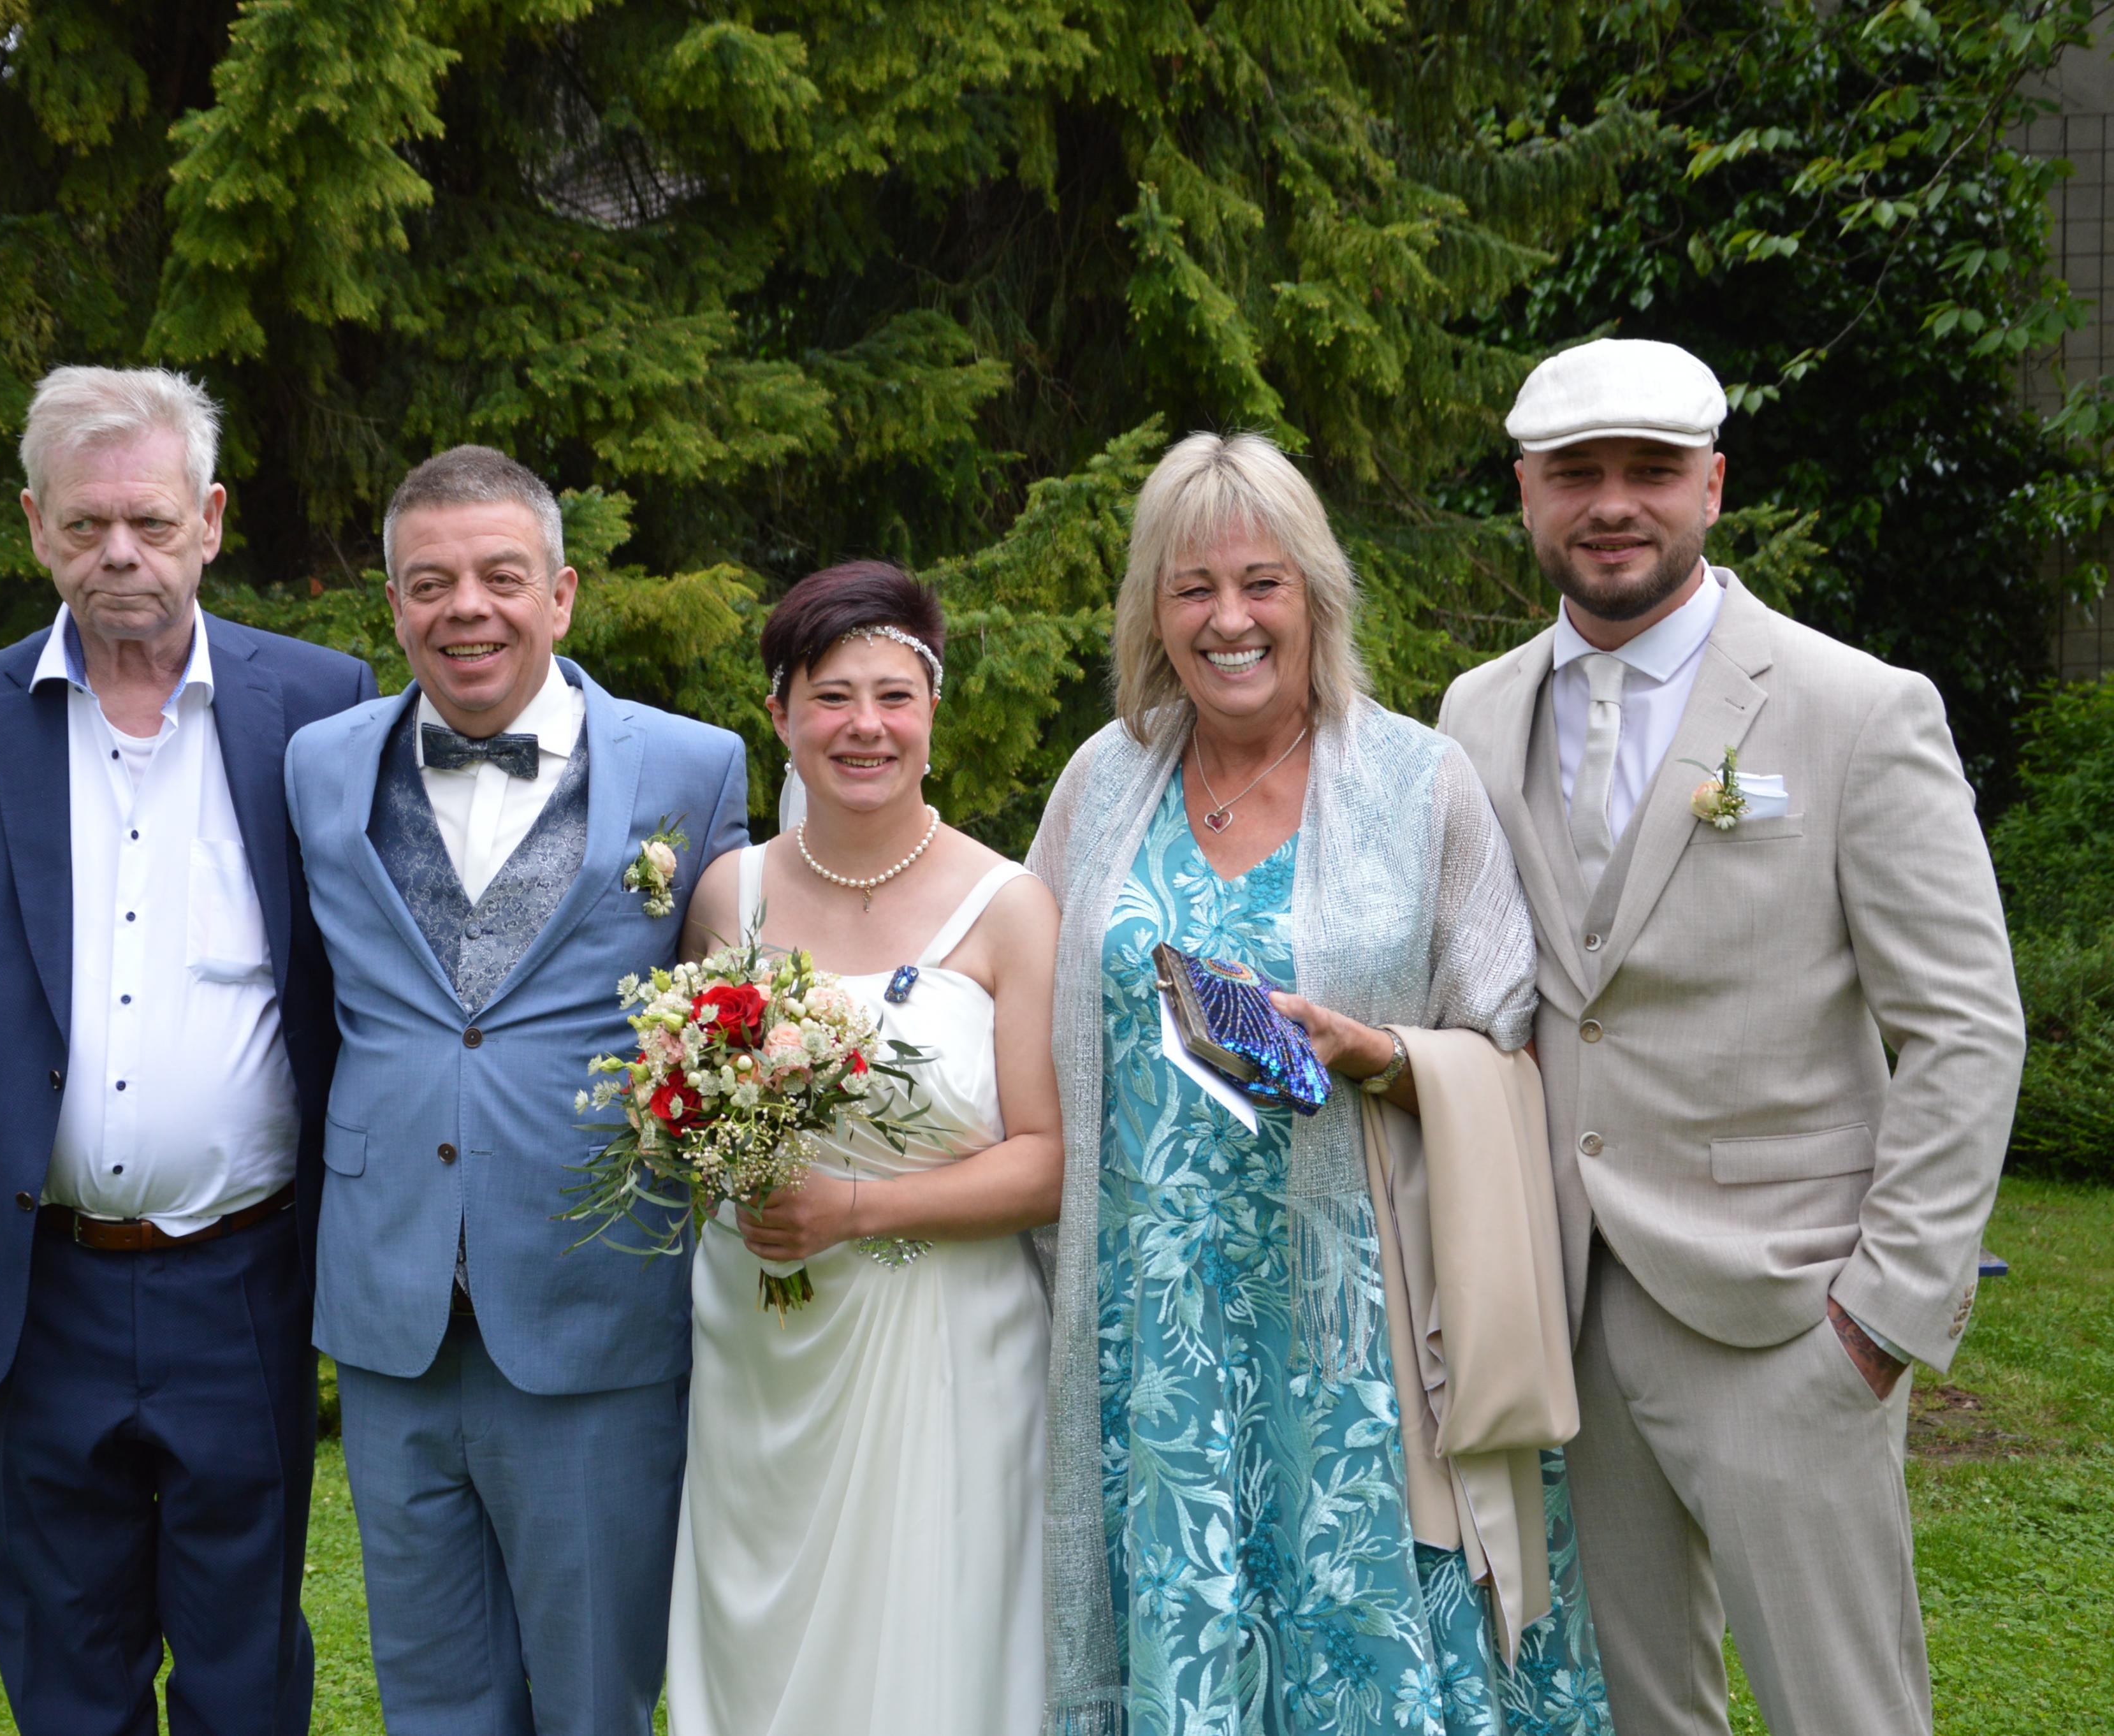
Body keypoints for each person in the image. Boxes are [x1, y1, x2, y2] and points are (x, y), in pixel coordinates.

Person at [1437, 338, 2025, 1736]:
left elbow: (1962, 1026)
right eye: (1574, 473)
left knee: (1843, 1711)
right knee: (1637, 1710)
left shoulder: (1855, 709)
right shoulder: (1474, 713)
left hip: (1788, 1316)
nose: (1611, 504)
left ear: (1711, 485)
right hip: (1566, 1312)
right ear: (1525, 494)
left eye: (1649, 470)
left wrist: (1882, 1317)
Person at [1026, 433, 1615, 1735]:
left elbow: (1509, 1038)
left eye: (1261, 583)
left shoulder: (1417, 781)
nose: (1228, 619)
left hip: (1357, 1322)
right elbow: (1030, 1011)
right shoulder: (1102, 780)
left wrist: (1376, 1054)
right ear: (1152, 613)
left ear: (1316, 596)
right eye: (1192, 588)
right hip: (1151, 1326)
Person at [0, 365, 376, 1733]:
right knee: (66, 1663)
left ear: (210, 521)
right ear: (36, 527)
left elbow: (362, 983)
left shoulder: (321, 704)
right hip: (40, 1284)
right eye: (85, 525)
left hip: (247, 1275)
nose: (118, 553)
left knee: (245, 1665)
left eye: (149, 521)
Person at [284, 444, 751, 1736]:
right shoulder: (319, 764)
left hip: (594, 1293)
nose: (466, 609)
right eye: (430, 583)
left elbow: (730, 1012)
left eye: (500, 576)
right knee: (430, 1688)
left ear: (562, 593)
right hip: (391, 1299)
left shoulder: (692, 766)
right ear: (393, 607)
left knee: (594, 1691)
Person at [664, 563, 1064, 1735]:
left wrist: (853, 1211)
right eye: (831, 697)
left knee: (934, 1638)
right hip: (762, 1335)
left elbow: (1046, 1160)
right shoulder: (727, 895)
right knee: (762, 1640)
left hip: (945, 1335)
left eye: (894, 696)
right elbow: (690, 1104)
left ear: (933, 711)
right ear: (779, 714)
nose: (865, 727)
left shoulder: (1009, 905)